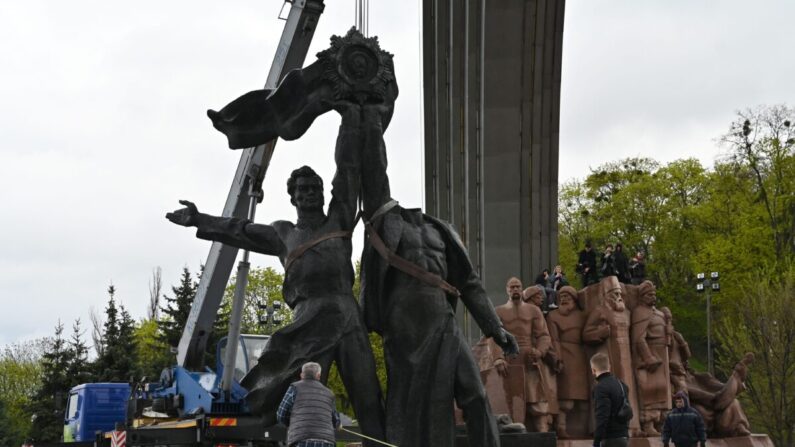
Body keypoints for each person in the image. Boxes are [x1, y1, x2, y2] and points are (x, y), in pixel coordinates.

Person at [166, 106, 386, 446]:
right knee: (304, 399)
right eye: (303, 189)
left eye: (314, 188)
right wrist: (200, 220)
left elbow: (348, 170)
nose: (310, 192)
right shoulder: (283, 233)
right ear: (293, 197)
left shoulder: (339, 219)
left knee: (368, 398)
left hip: (347, 316)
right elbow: (239, 230)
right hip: (309, 320)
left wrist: (349, 120)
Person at [356, 101, 518, 446]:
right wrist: (371, 119)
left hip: (441, 322)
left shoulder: (441, 230)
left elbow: (470, 284)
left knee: (474, 392)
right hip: (404, 327)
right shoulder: (387, 222)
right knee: (411, 403)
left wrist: (496, 329)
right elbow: (373, 170)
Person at [495, 278, 556, 432]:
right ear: (507, 289)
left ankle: (543, 437)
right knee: (512, 405)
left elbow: (543, 335)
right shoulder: (499, 311)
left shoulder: (533, 310)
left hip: (530, 360)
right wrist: (498, 358)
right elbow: (493, 337)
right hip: (509, 361)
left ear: (522, 289)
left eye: (518, 287)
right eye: (512, 287)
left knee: (538, 404)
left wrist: (540, 351)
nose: (515, 289)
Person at [546, 286, 589, 438]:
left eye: (568, 296)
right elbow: (554, 339)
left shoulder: (582, 316)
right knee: (566, 398)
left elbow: (587, 334)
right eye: (561, 296)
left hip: (581, 357)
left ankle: (585, 429)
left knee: (584, 398)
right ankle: (561, 427)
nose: (564, 299)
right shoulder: (553, 316)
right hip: (564, 354)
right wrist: (557, 358)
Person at [277, 362, 340, 447]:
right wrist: (338, 424)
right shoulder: (329, 394)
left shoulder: (295, 388)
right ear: (318, 376)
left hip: (301, 439)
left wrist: (293, 422)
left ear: (302, 375)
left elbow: (281, 414)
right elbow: (336, 421)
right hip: (326, 441)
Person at [590, 352, 630, 447]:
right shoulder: (621, 384)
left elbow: (602, 417)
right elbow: (627, 411)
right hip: (623, 437)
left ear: (593, 370)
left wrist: (596, 442)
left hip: (610, 440)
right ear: (609, 366)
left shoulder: (600, 388)